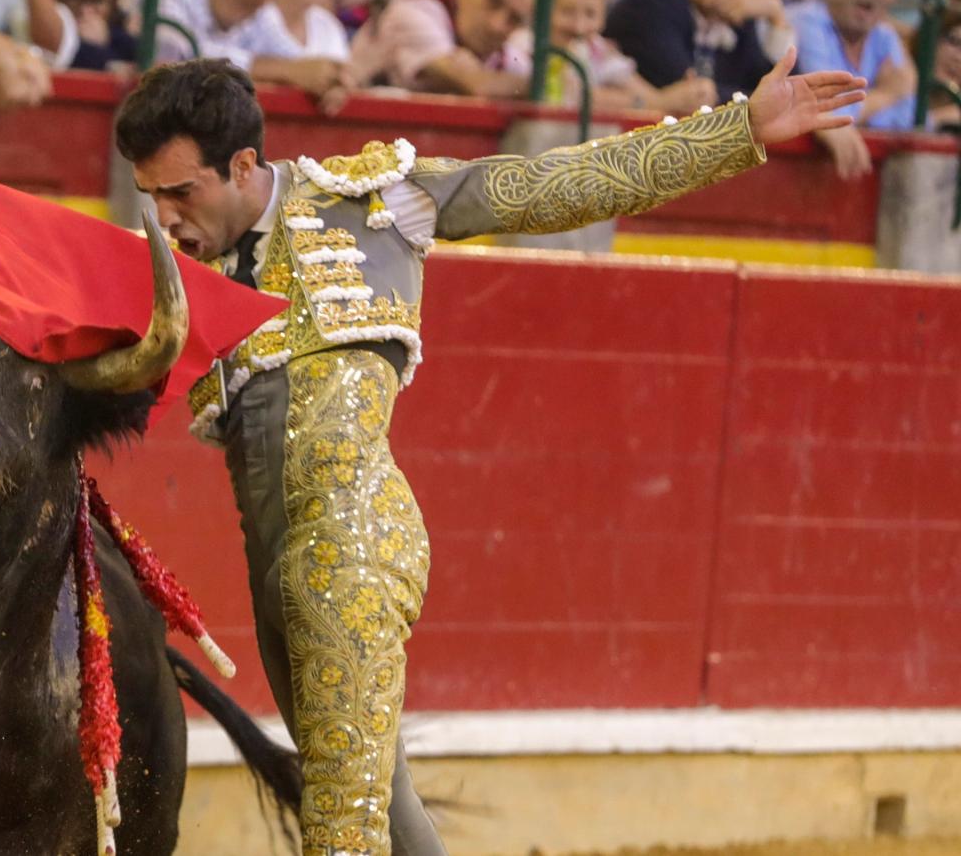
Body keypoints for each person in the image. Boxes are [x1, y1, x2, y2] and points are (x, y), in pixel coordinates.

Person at [106, 53, 863, 855]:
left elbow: (561, 183)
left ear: (245, 165)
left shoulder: (377, 199)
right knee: (380, 806)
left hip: (351, 546)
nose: (164, 217)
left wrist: (736, 129)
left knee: (343, 824)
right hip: (274, 568)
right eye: (150, 195)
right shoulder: (176, 277)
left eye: (180, 193)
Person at [116, 0, 354, 113]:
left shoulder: (261, 12)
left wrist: (331, 81)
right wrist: (286, 71)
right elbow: (176, 55)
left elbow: (297, 62)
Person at [507, 0, 717, 112]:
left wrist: (690, 93)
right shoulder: (523, 45)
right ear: (543, 7)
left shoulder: (596, 49)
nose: (579, 27)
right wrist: (660, 102)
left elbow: (643, 93)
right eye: (567, 12)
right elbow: (576, 98)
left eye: (590, 14)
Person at [789, 0, 915, 179]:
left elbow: (910, 115)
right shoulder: (804, 21)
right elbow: (827, 110)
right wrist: (886, 95)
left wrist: (867, 110)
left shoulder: (885, 36)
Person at [605, 0, 795, 102]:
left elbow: (778, 87)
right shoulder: (650, 1)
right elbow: (696, 95)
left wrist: (776, 17)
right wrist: (768, 99)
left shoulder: (736, 9)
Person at [349, 0, 534, 97]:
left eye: (515, 19)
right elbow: (477, 85)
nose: (496, 25)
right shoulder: (415, 9)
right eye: (493, 2)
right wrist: (536, 84)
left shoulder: (508, 53)